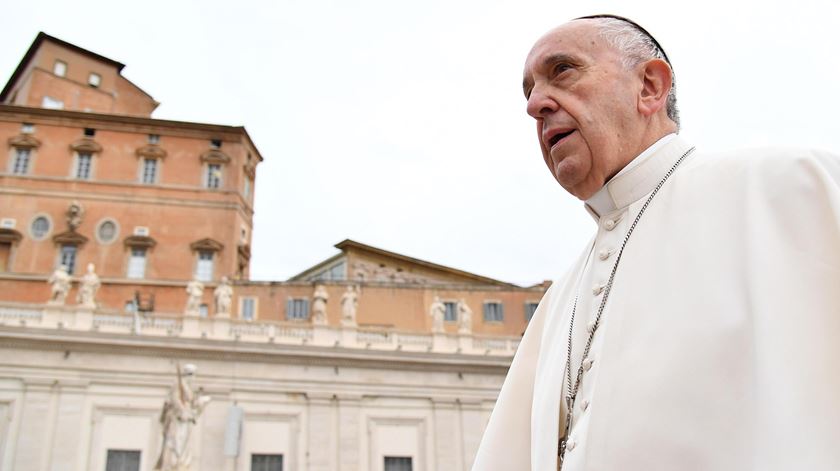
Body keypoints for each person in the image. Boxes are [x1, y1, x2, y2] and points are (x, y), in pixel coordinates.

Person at [472, 15, 840, 471]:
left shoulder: (793, 188)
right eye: (528, 91)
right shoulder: (556, 303)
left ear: (650, 86)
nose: (535, 105)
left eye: (562, 71)